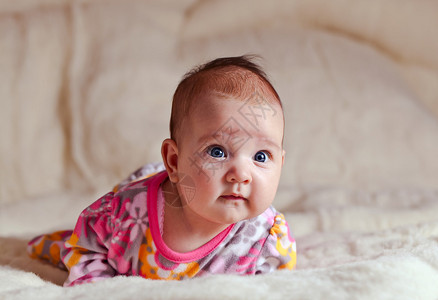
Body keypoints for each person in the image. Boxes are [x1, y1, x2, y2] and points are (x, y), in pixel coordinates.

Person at [28, 55, 297, 286]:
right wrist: (97, 287)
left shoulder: (266, 239)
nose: (241, 174)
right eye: (217, 152)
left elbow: (275, 287)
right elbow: (85, 245)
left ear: (280, 165)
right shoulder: (125, 215)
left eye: (261, 156)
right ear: (174, 161)